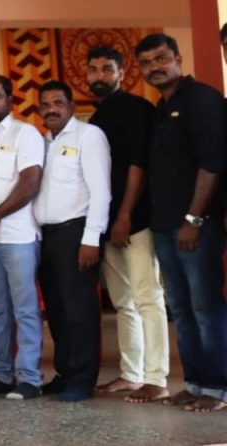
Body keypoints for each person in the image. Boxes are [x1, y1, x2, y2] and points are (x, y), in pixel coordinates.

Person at [136, 33, 227, 412]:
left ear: (177, 58)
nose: (154, 68)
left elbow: (212, 164)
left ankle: (219, 388)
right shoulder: (162, 107)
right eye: (146, 63)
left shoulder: (202, 99)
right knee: (181, 308)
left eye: (161, 59)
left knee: (206, 306)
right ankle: (194, 382)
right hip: (164, 225)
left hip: (194, 226)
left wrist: (194, 219)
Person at [85, 46, 169, 404]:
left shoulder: (136, 109)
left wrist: (124, 216)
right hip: (107, 223)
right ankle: (132, 374)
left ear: (122, 73)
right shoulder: (96, 118)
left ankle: (157, 378)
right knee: (123, 302)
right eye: (93, 69)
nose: (99, 76)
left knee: (148, 298)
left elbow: (139, 165)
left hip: (135, 220)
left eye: (107, 69)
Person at [34, 80, 111, 402]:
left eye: (58, 103)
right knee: (57, 310)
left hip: (76, 234)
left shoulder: (88, 136)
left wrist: (91, 239)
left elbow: (101, 191)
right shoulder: (41, 142)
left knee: (79, 311)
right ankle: (65, 373)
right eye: (45, 104)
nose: (51, 109)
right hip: (46, 238)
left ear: (71, 106)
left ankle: (83, 379)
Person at [0, 75, 45, 400]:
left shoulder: (24, 133)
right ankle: (2, 375)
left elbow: (30, 183)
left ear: (10, 99)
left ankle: (30, 377)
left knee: (25, 308)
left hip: (18, 236)